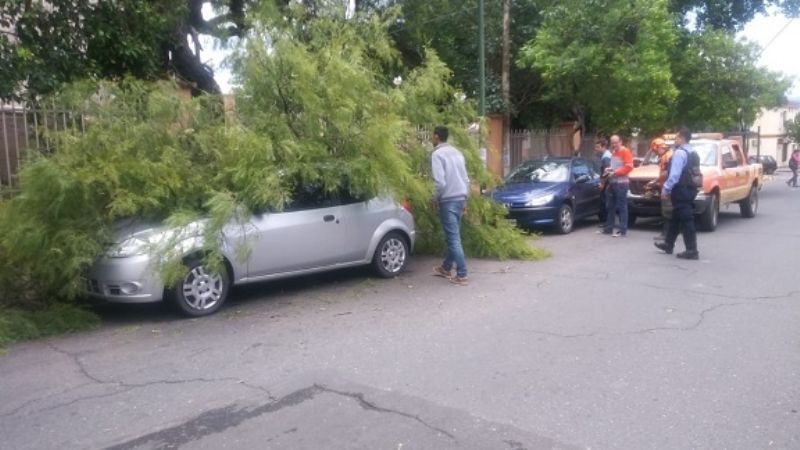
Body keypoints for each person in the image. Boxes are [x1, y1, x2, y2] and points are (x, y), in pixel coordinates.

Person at [430, 126, 470, 285]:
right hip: (460, 198)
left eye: (432, 137)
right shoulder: (457, 153)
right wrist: (465, 199)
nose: (431, 139)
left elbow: (440, 183)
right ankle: (446, 268)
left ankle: (462, 274)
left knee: (453, 239)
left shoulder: (437, 154)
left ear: (436, 137)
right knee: (455, 237)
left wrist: (433, 199)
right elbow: (466, 179)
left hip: (448, 200)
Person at [655, 127, 699, 260]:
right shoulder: (693, 152)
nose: (675, 140)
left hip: (681, 189)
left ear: (682, 138)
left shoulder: (680, 153)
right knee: (676, 217)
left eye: (677, 137)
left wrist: (666, 189)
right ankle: (668, 244)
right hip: (690, 188)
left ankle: (692, 250)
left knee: (686, 220)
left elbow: (674, 175)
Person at [598, 134, 633, 237]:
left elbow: (629, 166)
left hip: (621, 183)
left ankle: (622, 230)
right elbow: (615, 166)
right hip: (613, 182)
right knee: (610, 206)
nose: (614, 145)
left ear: (620, 142)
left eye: (616, 142)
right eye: (612, 143)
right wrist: (609, 170)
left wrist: (615, 172)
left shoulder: (625, 151)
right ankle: (608, 228)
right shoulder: (613, 152)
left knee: (622, 207)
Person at [646, 138, 673, 241]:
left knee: (667, 211)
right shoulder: (669, 154)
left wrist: (655, 182)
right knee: (670, 211)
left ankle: (666, 234)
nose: (655, 153)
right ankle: (671, 232)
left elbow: (665, 173)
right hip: (668, 186)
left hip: (668, 188)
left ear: (658, 148)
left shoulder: (666, 157)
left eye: (655, 151)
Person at [594, 138, 612, 223]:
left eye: (598, 147)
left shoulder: (606, 157)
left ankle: (605, 222)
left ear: (603, 147)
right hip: (608, 182)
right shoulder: (607, 155)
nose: (596, 149)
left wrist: (602, 184)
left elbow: (606, 172)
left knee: (604, 202)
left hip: (607, 183)